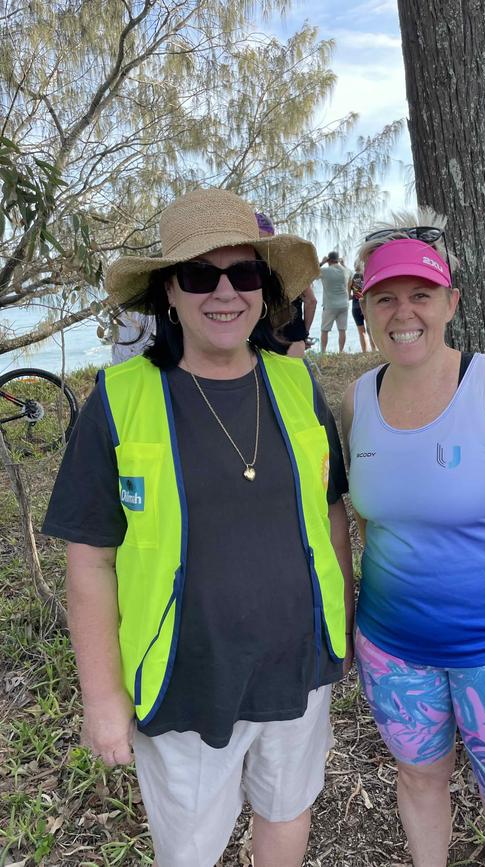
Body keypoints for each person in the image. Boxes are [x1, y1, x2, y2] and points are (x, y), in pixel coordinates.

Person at [42, 188, 355, 867]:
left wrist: (344, 629)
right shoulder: (117, 403)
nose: (224, 292)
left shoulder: (299, 386)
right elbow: (91, 560)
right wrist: (102, 697)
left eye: (243, 273)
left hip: (298, 669)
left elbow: (332, 513)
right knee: (189, 851)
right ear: (168, 294)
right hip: (185, 680)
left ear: (263, 289)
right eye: (198, 274)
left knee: (287, 810)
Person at [341, 213, 485, 867]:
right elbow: (372, 517)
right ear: (364, 305)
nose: (403, 311)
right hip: (395, 653)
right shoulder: (357, 399)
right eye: (385, 296)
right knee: (419, 779)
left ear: (452, 301)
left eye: (421, 293)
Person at [256, 212, 317, 357]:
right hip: (293, 335)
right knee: (294, 378)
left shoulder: (247, 266)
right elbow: (311, 301)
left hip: (259, 337)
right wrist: (304, 332)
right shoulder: (291, 265)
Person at [317, 251, 350, 353]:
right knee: (342, 330)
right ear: (338, 259)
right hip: (344, 304)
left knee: (324, 330)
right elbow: (351, 273)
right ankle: (341, 351)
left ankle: (323, 352)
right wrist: (343, 263)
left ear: (329, 260)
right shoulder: (345, 271)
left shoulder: (325, 271)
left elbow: (312, 271)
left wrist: (322, 262)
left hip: (330, 305)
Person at [348, 265, 376, 353]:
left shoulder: (354, 277)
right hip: (366, 306)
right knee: (370, 329)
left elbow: (352, 295)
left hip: (356, 307)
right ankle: (374, 350)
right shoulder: (368, 275)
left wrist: (353, 296)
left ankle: (365, 351)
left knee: (361, 332)